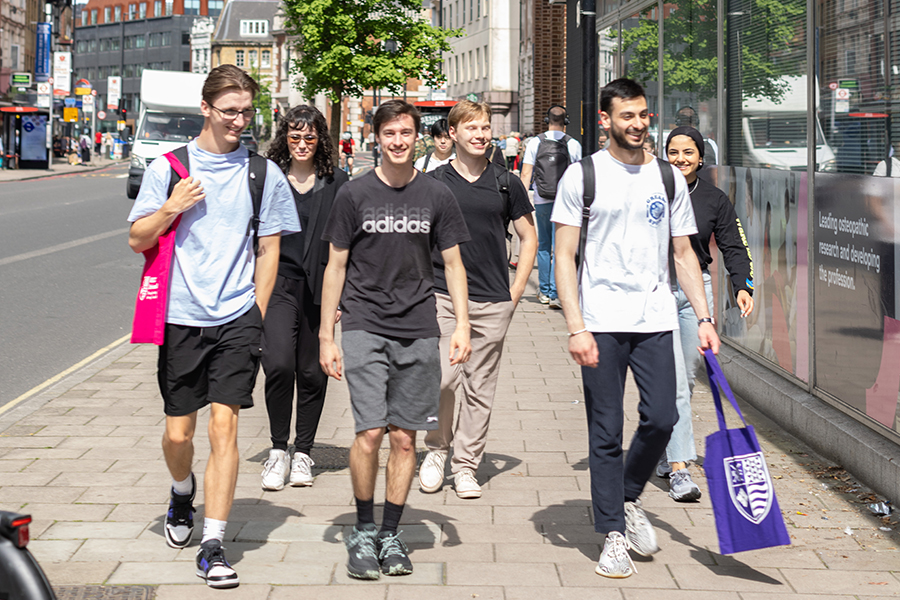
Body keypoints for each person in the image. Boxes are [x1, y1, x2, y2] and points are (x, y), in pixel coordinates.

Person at [127, 64, 300, 589]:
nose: (239, 122)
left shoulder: (262, 173)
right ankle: (182, 492)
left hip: (237, 318)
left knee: (225, 425)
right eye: (230, 112)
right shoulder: (169, 168)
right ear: (205, 109)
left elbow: (270, 248)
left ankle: (214, 542)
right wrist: (172, 208)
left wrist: (256, 310)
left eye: (247, 112)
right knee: (178, 433)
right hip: (180, 316)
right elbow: (138, 238)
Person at [552, 78, 720, 579]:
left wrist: (705, 317)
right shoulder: (583, 177)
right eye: (627, 115)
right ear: (605, 119)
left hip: (655, 320)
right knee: (605, 433)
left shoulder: (667, 179)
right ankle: (613, 536)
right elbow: (563, 257)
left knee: (663, 419)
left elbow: (684, 254)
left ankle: (626, 496)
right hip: (600, 322)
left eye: (644, 114)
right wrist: (575, 326)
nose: (638, 123)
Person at [319, 99, 472, 580]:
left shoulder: (436, 195)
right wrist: (327, 335)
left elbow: (453, 265)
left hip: (418, 328)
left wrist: (463, 325)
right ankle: (363, 530)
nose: (399, 141)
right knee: (369, 433)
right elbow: (335, 265)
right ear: (377, 138)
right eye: (390, 134)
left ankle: (390, 532)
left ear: (417, 135)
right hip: (363, 323)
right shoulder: (353, 194)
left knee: (405, 439)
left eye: (406, 133)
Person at [418, 100, 538, 498]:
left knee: (480, 388)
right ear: (452, 134)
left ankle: (466, 465)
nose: (480, 134)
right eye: (471, 128)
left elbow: (529, 237)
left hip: (491, 299)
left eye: (485, 127)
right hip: (442, 297)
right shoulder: (434, 183)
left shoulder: (506, 182)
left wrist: (516, 291)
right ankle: (437, 448)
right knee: (444, 377)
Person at [658, 127, 754, 501]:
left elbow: (733, 243)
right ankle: (680, 468)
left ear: (701, 157)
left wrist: (742, 285)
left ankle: (666, 449)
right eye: (673, 151)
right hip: (656, 290)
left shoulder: (714, 198)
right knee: (676, 384)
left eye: (688, 152)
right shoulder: (653, 189)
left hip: (696, 293)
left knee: (689, 379)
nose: (680, 158)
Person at [259, 105, 349, 491]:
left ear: (320, 140)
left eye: (309, 137)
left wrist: (342, 297)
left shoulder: (337, 181)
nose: (301, 144)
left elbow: (348, 243)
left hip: (321, 287)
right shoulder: (269, 178)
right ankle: (278, 450)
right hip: (277, 284)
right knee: (278, 364)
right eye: (294, 137)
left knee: (312, 372)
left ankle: (304, 453)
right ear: (285, 139)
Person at [520, 105, 582, 309]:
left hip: (541, 198)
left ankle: (544, 291)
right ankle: (556, 293)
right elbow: (577, 176)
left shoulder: (535, 143)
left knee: (544, 245)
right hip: (564, 202)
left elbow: (526, 174)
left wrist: (521, 202)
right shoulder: (573, 144)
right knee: (561, 248)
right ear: (566, 122)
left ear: (547, 120)